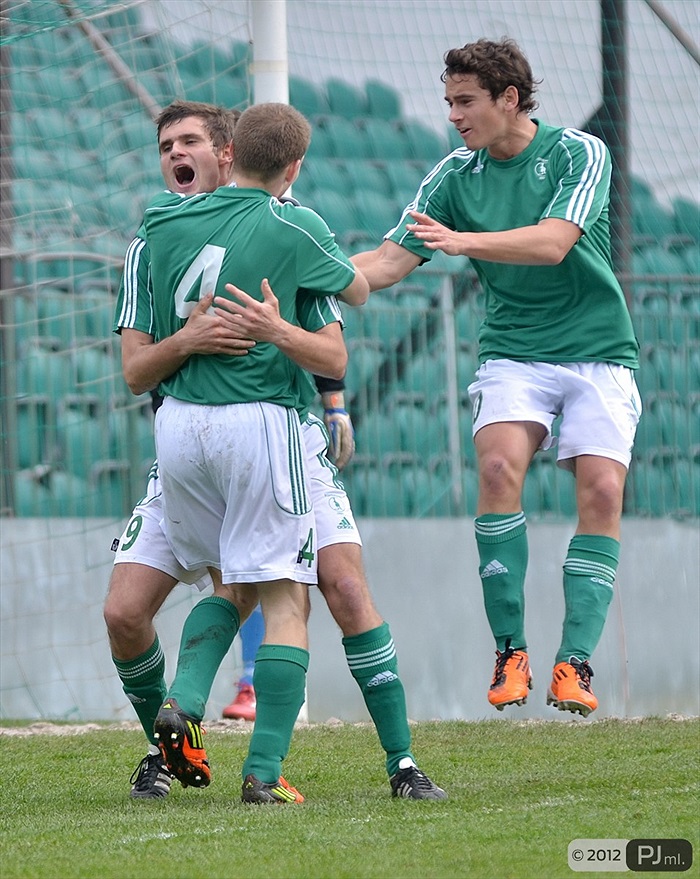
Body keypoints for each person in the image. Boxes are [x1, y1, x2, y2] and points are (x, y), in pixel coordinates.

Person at [109, 99, 445, 803]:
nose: (178, 154)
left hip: (241, 435)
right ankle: (245, 766)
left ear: (227, 152)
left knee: (337, 589)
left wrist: (332, 400)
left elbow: (330, 351)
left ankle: (402, 762)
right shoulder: (280, 228)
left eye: (191, 140)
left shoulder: (166, 223)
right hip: (258, 431)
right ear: (291, 163)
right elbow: (356, 289)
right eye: (167, 144)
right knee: (268, 594)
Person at [351, 38, 641, 719]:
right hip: (514, 349)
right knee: (497, 469)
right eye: (448, 101)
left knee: (600, 487)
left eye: (465, 101)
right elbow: (390, 261)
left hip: (599, 349)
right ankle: (511, 650)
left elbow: (553, 241)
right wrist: (315, 278)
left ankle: (574, 663)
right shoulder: (455, 175)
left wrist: (464, 243)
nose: (453, 115)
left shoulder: (578, 153)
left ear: (509, 99)